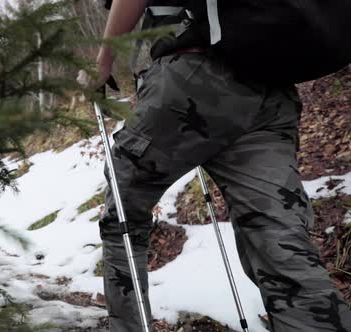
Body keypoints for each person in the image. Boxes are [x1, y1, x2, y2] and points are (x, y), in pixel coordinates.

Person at [78, 0, 351, 331]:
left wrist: (102, 61)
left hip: (195, 79)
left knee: (122, 212)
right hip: (270, 94)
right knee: (279, 237)